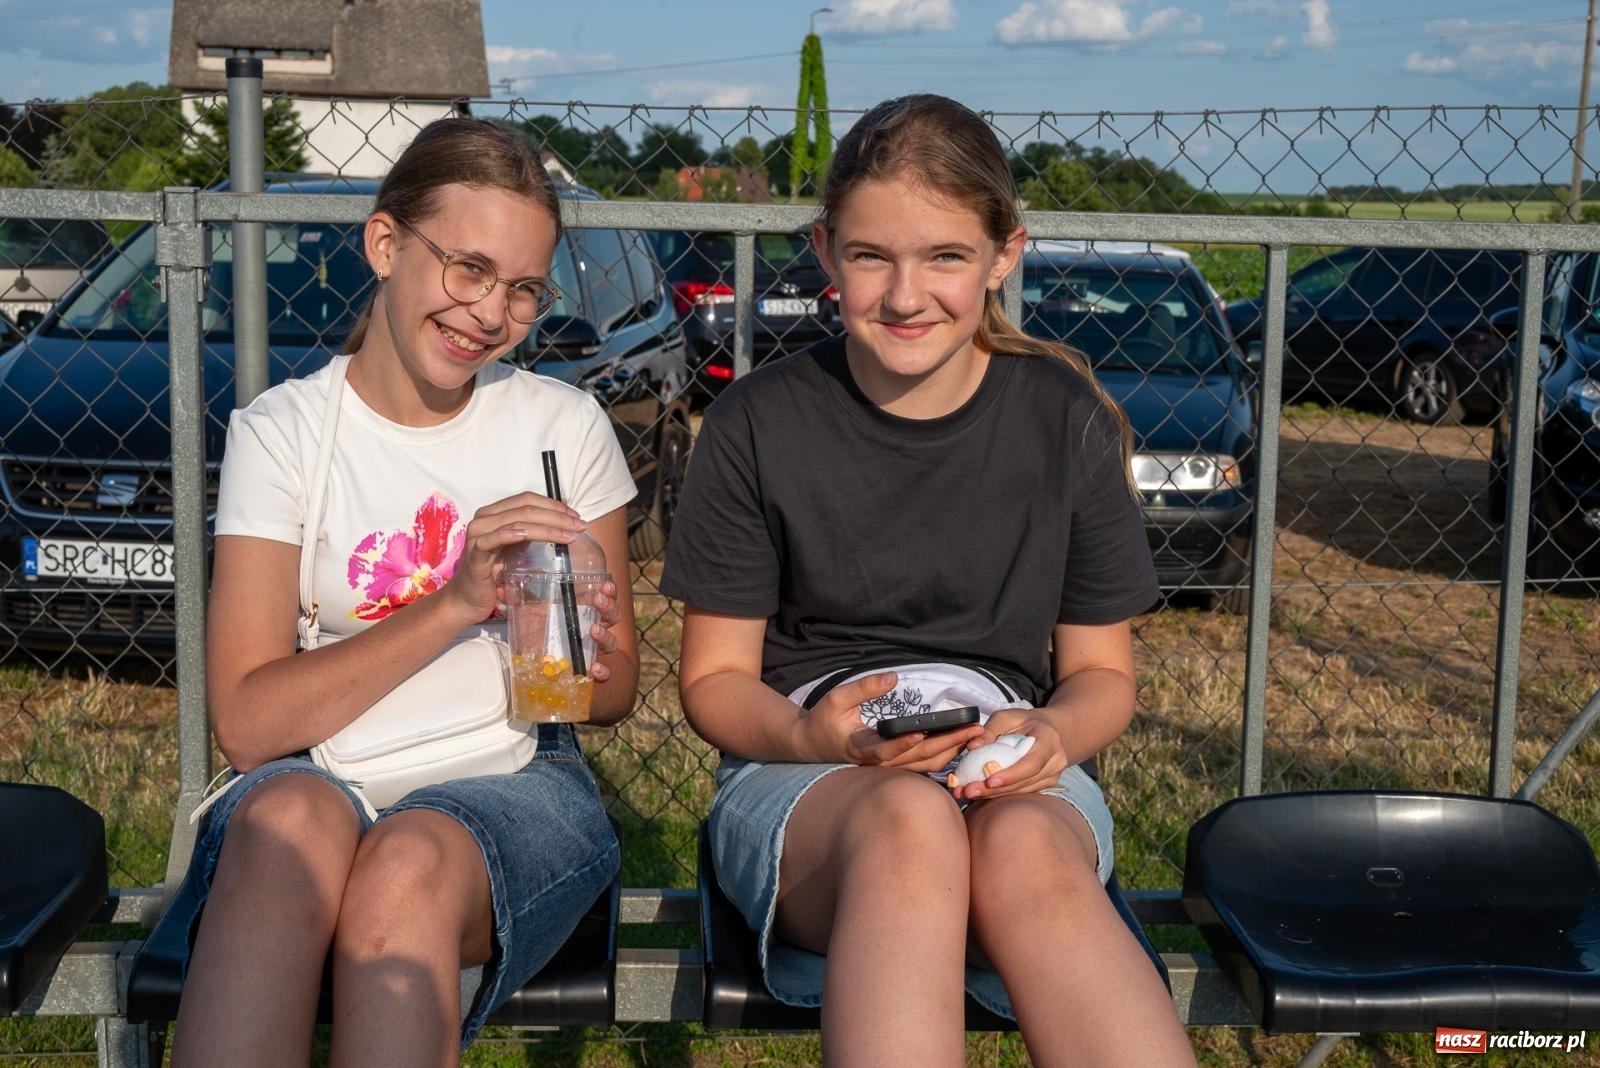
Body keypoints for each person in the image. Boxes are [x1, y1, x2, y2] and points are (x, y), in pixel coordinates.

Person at [660, 94, 1197, 1067]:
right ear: (825, 252)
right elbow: (713, 683)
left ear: (1004, 254)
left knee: (1023, 846)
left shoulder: (1064, 419)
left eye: (945, 256)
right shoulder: (757, 423)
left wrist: (1051, 733)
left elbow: (1101, 679)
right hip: (807, 781)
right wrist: (807, 733)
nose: (906, 295)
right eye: (871, 256)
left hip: (1012, 778)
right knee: (909, 824)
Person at [170, 118, 639, 1067]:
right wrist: (460, 601)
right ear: (386, 244)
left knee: (406, 864)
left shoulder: (562, 428)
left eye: (521, 290)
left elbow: (613, 689)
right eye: (467, 268)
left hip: (514, 773)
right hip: (319, 765)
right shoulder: (287, 432)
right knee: (286, 820)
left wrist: (564, 642)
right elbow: (252, 726)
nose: (490, 313)